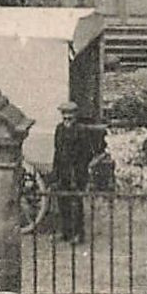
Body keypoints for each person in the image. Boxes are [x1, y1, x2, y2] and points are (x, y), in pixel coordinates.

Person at [51, 101, 91, 243]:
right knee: (63, 202)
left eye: (70, 118)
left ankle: (78, 233)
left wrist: (80, 172)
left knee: (76, 203)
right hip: (63, 170)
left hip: (76, 171)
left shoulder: (81, 130)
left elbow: (86, 154)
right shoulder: (59, 129)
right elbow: (57, 151)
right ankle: (66, 232)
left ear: (75, 116)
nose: (67, 120)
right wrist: (54, 172)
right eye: (64, 117)